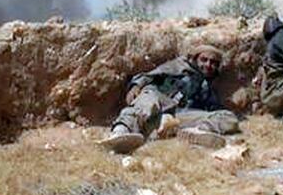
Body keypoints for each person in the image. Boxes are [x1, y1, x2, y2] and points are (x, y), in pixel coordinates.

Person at [98, 45, 240, 154]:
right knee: (148, 99)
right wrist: (136, 86)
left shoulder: (206, 87)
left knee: (228, 116)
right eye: (204, 60)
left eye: (213, 63)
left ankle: (199, 132)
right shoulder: (178, 65)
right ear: (195, 59)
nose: (208, 65)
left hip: (177, 117)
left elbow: (214, 108)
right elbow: (147, 76)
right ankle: (121, 132)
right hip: (158, 102)